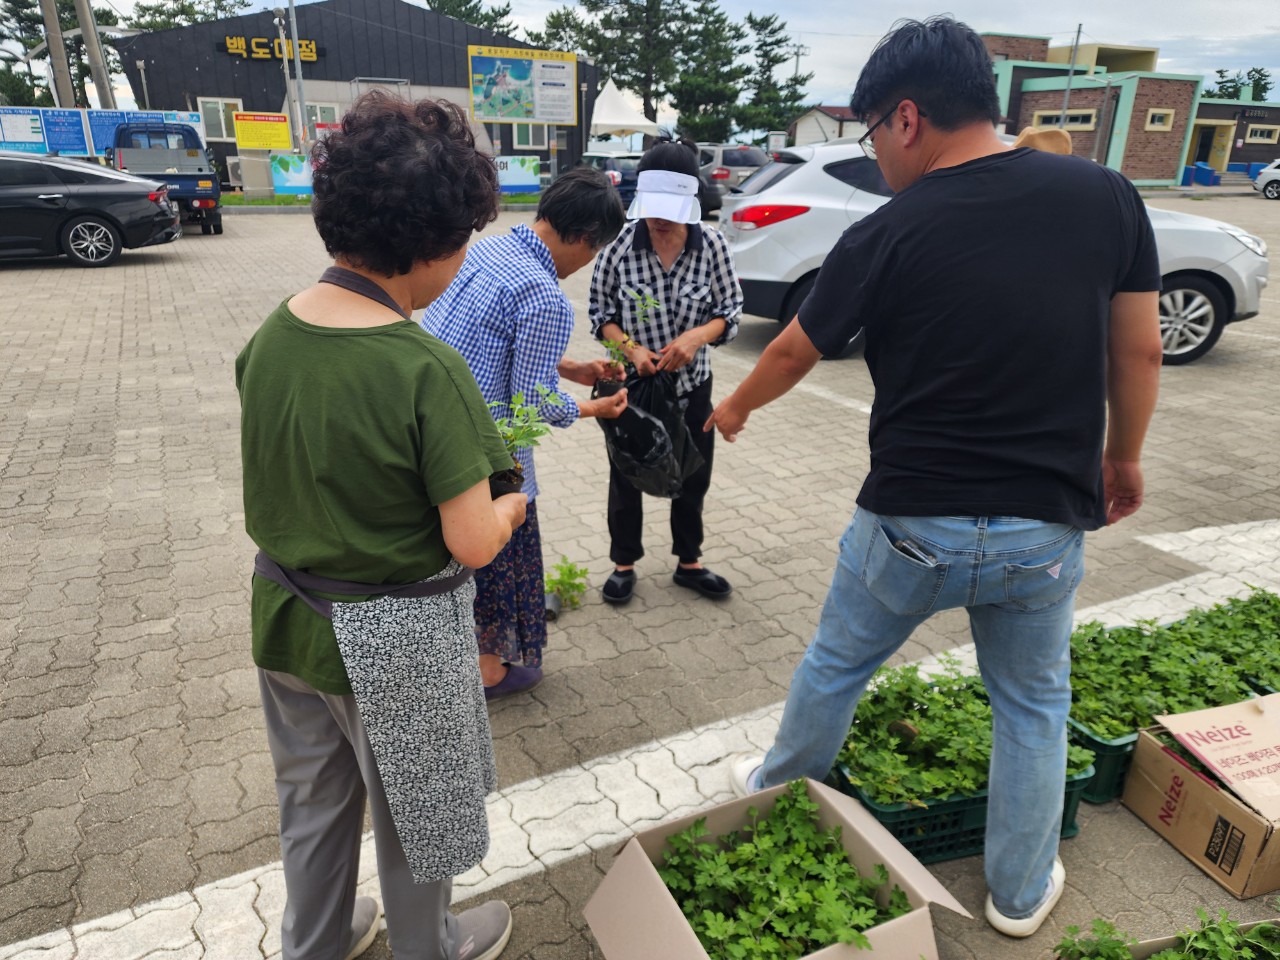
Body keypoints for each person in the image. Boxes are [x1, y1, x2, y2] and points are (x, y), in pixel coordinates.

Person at [708, 16, 1161, 939]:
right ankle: (1020, 894)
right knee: (1033, 704)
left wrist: (737, 408)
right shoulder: (1106, 195)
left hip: (910, 525)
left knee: (837, 666)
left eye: (873, 132)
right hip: (1043, 524)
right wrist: (1123, 457)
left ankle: (771, 792)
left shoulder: (889, 229)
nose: (877, 155)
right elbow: (1141, 349)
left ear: (907, 117)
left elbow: (793, 349)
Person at [236, 91, 526, 960]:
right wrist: (512, 505)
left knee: (312, 806)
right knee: (416, 820)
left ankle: (317, 941)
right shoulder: (423, 365)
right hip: (396, 640)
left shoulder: (274, 333)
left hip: (287, 618)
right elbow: (472, 540)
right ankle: (430, 944)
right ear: (432, 245)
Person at [423, 166, 629, 701]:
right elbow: (532, 405)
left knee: (451, 557)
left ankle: (458, 656)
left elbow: (491, 341)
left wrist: (572, 368)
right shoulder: (544, 296)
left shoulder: (489, 250)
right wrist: (593, 407)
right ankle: (489, 672)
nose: (588, 262)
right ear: (584, 238)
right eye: (595, 250)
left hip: (432, 426)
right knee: (494, 554)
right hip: (488, 452)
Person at [588, 138, 744, 605]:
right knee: (627, 472)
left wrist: (697, 338)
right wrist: (631, 349)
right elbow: (600, 314)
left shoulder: (711, 245)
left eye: (669, 210)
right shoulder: (619, 247)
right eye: (652, 208)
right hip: (633, 385)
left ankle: (688, 561)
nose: (658, 220)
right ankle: (623, 563)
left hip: (692, 386)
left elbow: (731, 311)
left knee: (694, 472)